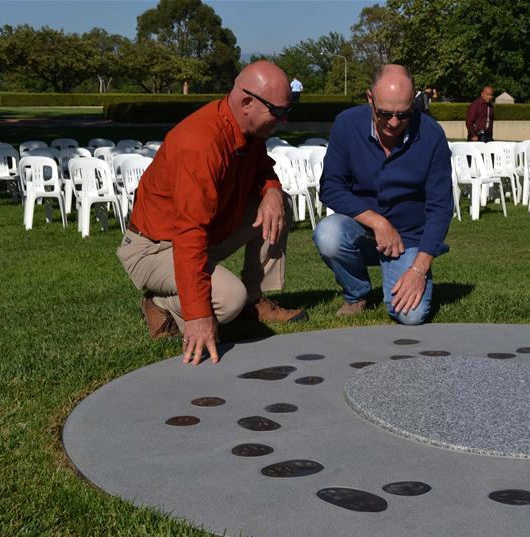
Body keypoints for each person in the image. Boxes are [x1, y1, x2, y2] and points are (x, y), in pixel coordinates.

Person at [117, 60, 308, 366]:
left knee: (279, 204)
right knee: (229, 299)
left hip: (209, 231)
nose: (284, 120)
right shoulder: (199, 144)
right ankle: (161, 303)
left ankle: (255, 301)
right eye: (279, 111)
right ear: (247, 102)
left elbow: (262, 167)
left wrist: (271, 189)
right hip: (155, 247)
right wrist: (198, 315)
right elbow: (188, 234)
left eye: (289, 109)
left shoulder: (249, 128)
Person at [312, 64, 453, 325]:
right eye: (385, 113)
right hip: (360, 229)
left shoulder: (432, 136)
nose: (394, 122)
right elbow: (331, 187)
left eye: (404, 114)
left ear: (413, 103)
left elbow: (441, 207)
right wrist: (378, 222)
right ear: (370, 99)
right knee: (328, 234)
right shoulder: (347, 125)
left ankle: (403, 272)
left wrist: (419, 268)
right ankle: (356, 294)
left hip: (409, 237)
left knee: (411, 316)